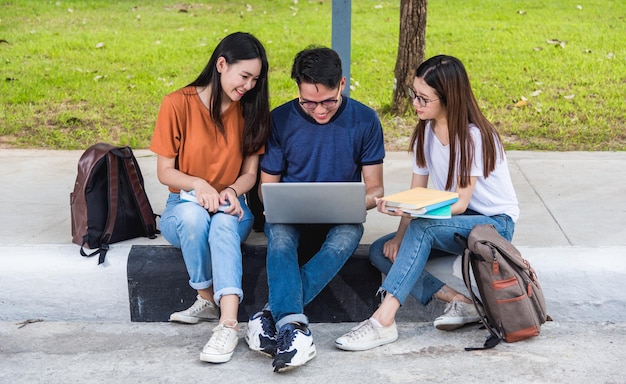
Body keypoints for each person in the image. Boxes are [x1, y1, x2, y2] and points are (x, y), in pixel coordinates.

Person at [334, 54, 519, 351]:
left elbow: (459, 203)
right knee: (383, 250)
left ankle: (383, 321)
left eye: (424, 98)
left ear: (448, 99)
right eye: (414, 95)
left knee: (421, 230)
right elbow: (415, 192)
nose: (416, 104)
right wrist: (398, 220)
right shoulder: (425, 132)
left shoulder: (473, 136)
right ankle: (461, 302)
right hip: (457, 222)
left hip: (493, 225)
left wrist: (416, 216)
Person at [244, 46, 385, 372]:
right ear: (297, 89)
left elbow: (375, 188)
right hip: (290, 214)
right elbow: (268, 187)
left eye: (328, 101)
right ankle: (294, 330)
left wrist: (353, 201)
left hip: (341, 217)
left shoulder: (365, 120)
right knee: (279, 241)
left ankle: (271, 315)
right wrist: (276, 202)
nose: (319, 110)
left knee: (343, 239)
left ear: (343, 85)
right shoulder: (279, 120)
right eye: (308, 102)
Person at [149, 32, 271, 363]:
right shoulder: (177, 104)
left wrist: (232, 192)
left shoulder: (251, 111)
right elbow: (165, 171)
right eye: (243, 76)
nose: (248, 86)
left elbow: (249, 174)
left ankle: (228, 325)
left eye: (255, 79)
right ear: (221, 64)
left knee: (222, 224)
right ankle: (205, 297)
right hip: (184, 206)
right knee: (195, 218)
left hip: (233, 205)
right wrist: (198, 184)